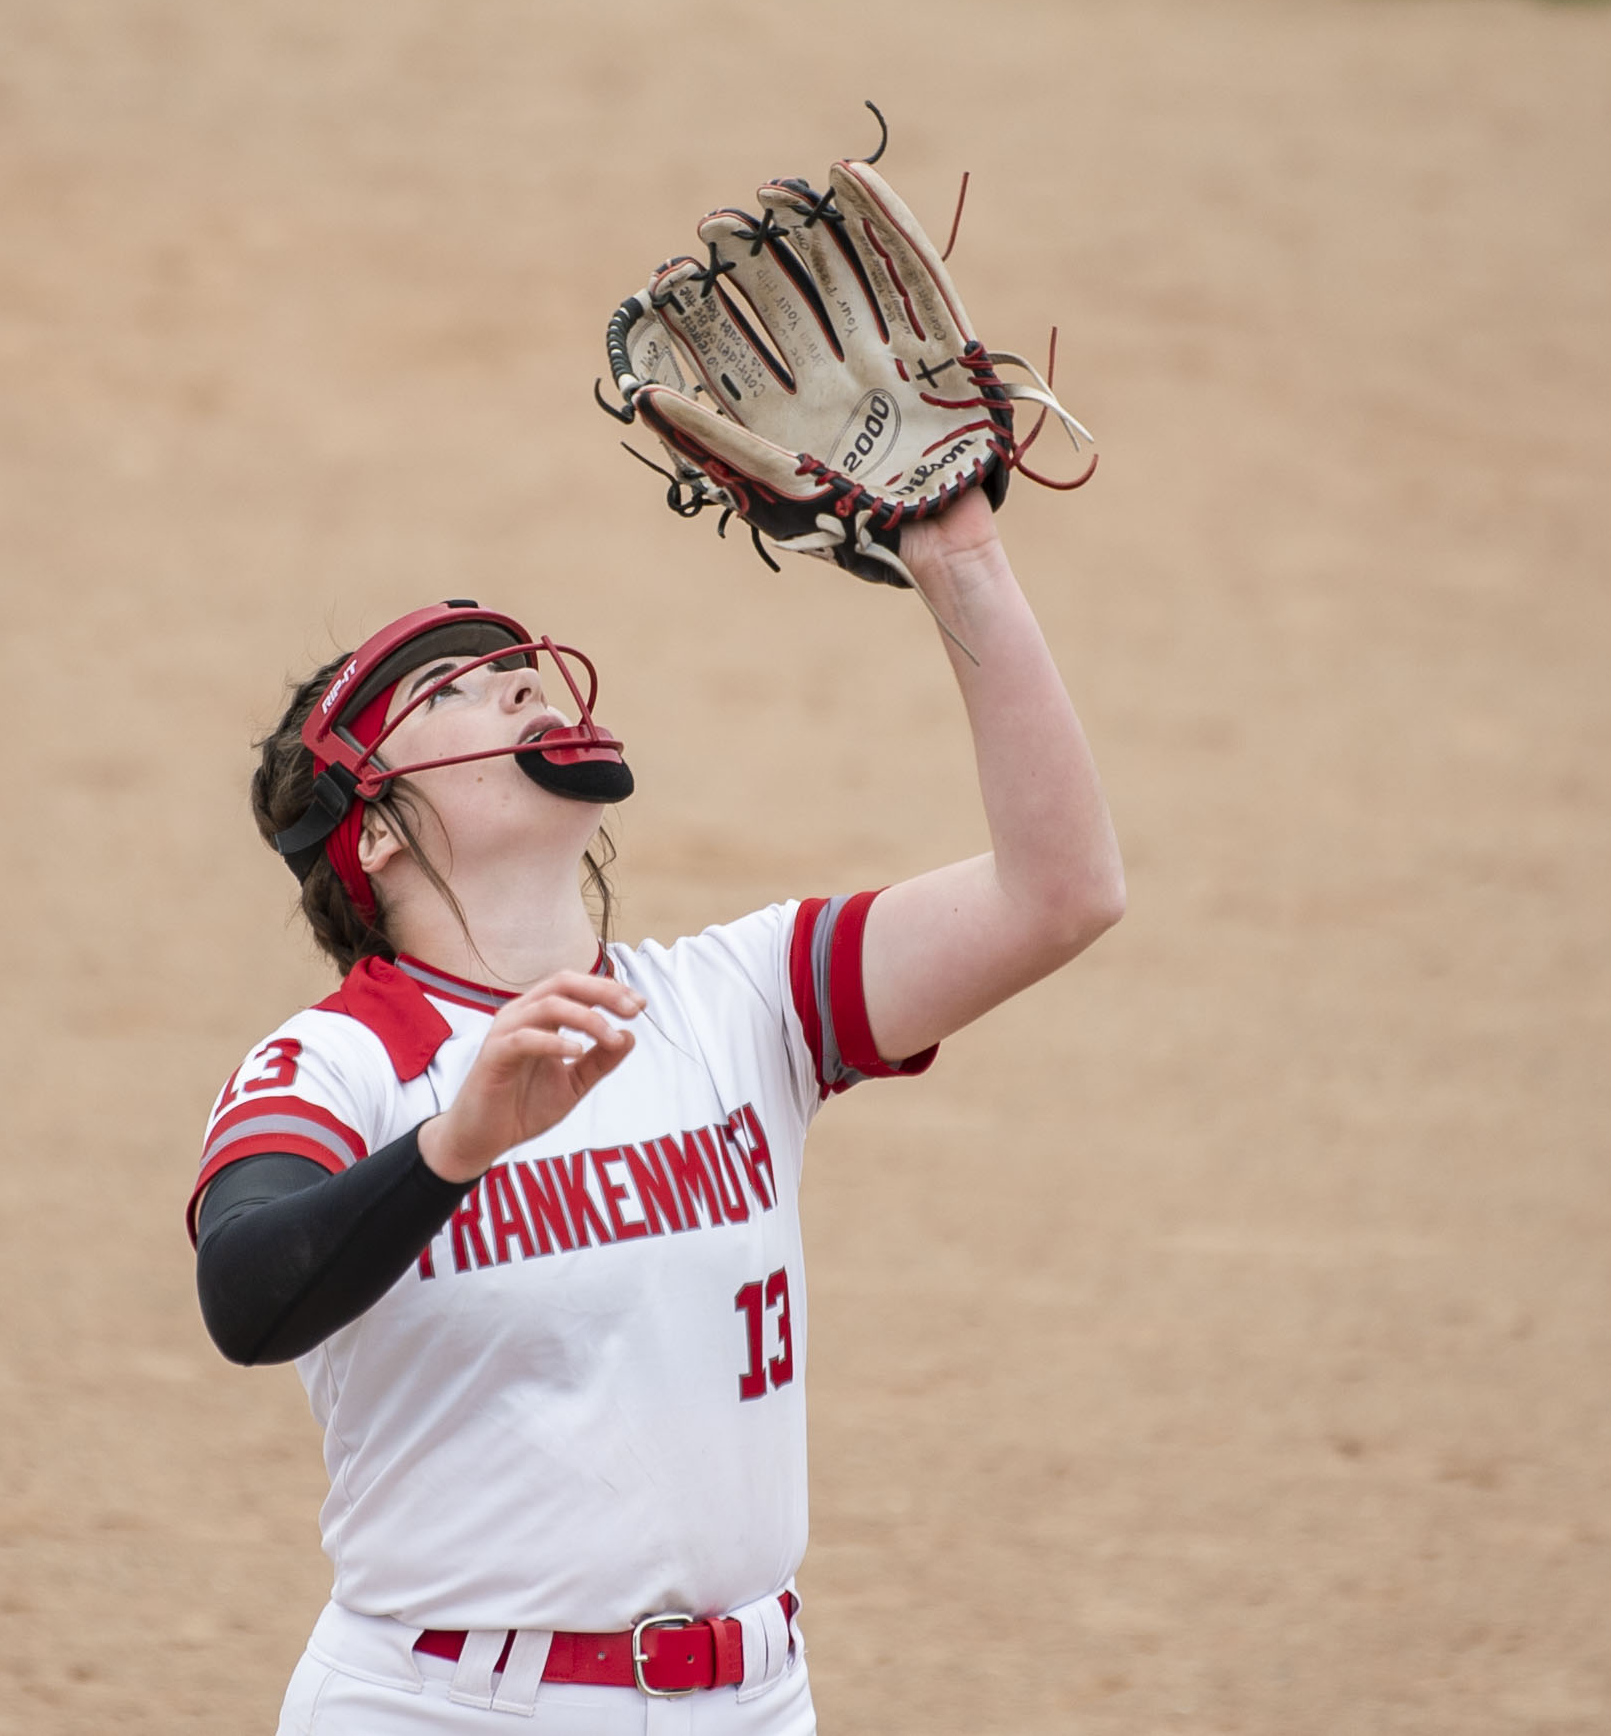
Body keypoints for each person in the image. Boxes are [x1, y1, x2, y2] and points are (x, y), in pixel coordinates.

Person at [194, 492, 1122, 1730]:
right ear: (366, 839)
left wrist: (960, 563)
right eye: (453, 692)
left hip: (754, 1700)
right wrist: (449, 1148)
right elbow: (245, 1295)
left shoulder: (740, 997)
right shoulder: (340, 1061)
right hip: (445, 1708)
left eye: (520, 667)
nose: (523, 684)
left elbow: (1059, 893)